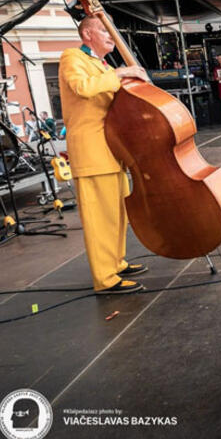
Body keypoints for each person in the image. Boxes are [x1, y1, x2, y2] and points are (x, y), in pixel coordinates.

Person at [58, 16, 150, 294]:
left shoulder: (102, 64)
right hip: (91, 151)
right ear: (87, 34)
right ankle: (105, 279)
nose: (112, 36)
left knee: (117, 214)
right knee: (100, 219)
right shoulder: (71, 57)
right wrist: (121, 74)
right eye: (104, 30)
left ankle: (116, 262)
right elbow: (83, 88)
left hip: (111, 150)